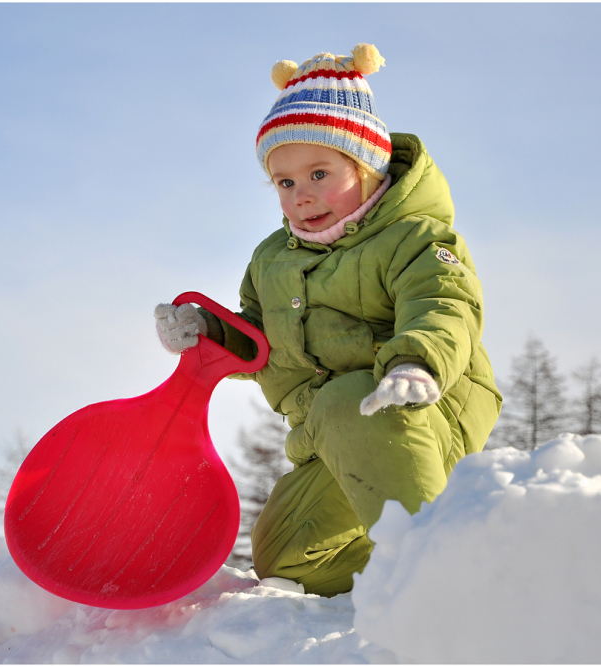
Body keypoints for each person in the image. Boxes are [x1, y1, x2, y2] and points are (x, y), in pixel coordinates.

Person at [154, 44, 502, 596]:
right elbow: (258, 337)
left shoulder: (415, 238)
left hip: (421, 411)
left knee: (349, 400)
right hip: (329, 439)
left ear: (368, 167)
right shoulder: (273, 260)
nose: (301, 196)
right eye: (285, 182)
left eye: (319, 173)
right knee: (286, 558)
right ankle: (391, 583)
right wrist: (204, 331)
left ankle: (449, 575)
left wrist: (416, 362)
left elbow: (444, 305)